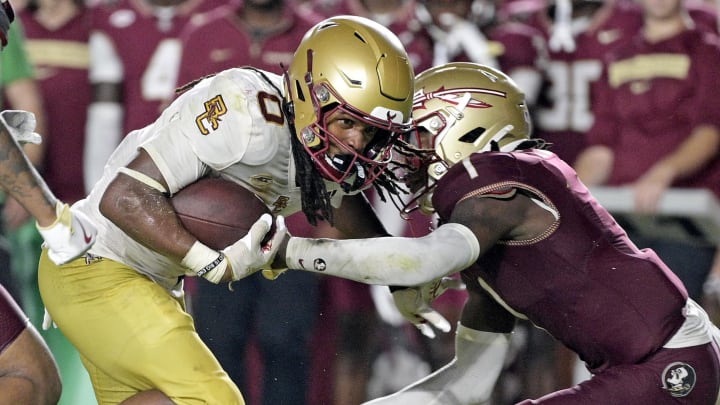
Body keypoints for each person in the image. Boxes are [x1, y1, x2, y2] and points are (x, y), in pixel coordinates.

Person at [270, 62, 720, 404]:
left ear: (464, 125)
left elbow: (426, 260)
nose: (402, 157)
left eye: (417, 138)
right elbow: (467, 386)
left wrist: (288, 251)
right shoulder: (478, 230)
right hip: (659, 362)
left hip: (670, 360)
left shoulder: (499, 184)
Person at [38, 15, 415, 405]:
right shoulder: (244, 111)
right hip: (98, 267)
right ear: (312, 94)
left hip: (145, 280)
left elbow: (343, 205)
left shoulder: (318, 143)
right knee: (217, 399)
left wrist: (402, 277)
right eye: (347, 122)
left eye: (370, 130)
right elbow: (123, 197)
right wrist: (209, 261)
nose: (355, 140)